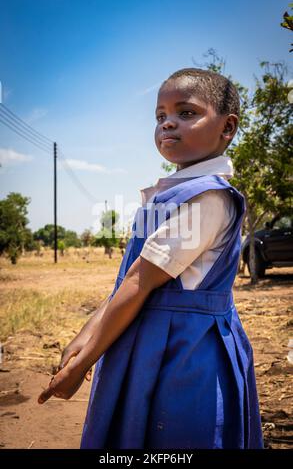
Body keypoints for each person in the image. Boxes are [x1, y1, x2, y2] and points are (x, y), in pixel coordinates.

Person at [38, 68, 264, 449]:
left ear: (227, 128)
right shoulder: (175, 192)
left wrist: (85, 361)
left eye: (186, 113)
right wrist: (86, 335)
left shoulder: (207, 199)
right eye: (160, 116)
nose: (168, 123)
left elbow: (139, 281)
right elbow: (128, 278)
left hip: (185, 352)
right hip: (153, 338)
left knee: (175, 433)